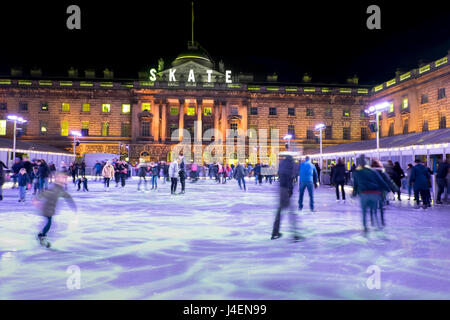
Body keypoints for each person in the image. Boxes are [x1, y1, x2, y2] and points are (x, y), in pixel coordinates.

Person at [35, 173, 77, 247]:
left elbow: (66, 196)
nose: (65, 181)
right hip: (48, 208)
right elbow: (47, 193)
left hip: (49, 207)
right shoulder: (56, 188)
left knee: (49, 222)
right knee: (49, 222)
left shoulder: (58, 188)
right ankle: (42, 236)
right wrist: (37, 199)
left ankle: (41, 235)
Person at [352, 155, 390, 233]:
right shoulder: (373, 171)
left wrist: (354, 193)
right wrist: (388, 189)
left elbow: (355, 185)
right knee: (375, 211)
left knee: (364, 212)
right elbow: (381, 181)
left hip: (364, 194)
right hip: (375, 193)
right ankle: (377, 226)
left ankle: (365, 227)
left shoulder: (357, 173)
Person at [271, 152, 302, 241]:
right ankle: (295, 234)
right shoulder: (291, 164)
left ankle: (275, 231)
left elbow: (280, 174)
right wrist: (290, 189)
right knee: (291, 212)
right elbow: (290, 177)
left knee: (280, 210)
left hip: (281, 188)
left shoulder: (282, 163)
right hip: (286, 189)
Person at [371, 159, 398, 227]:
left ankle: (373, 219)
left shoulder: (370, 171)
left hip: (372, 189)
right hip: (381, 188)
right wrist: (393, 188)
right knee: (381, 202)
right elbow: (387, 180)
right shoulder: (382, 171)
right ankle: (381, 220)